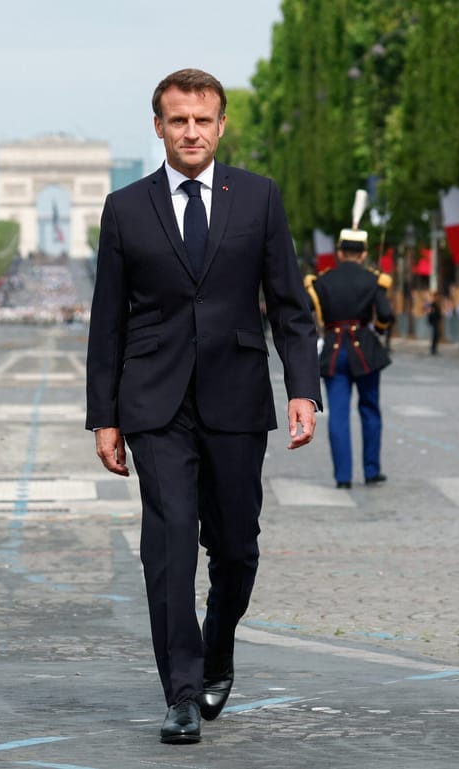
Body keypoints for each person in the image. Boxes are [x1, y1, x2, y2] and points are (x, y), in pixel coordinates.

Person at [86, 68, 320, 745]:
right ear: (158, 126)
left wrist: (302, 387)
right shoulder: (125, 208)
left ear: (221, 126)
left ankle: (218, 649)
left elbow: (289, 306)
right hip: (154, 403)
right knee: (169, 546)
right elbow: (108, 320)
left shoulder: (260, 198)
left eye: (202, 120)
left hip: (236, 395)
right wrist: (105, 414)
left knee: (237, 549)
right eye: (178, 119)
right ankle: (182, 691)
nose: (191, 131)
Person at [314, 207, 394, 490]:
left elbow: (311, 312)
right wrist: (380, 330)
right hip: (366, 350)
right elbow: (385, 315)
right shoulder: (374, 280)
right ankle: (371, 471)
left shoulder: (321, 281)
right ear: (363, 253)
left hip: (334, 348)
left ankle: (343, 477)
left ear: (339, 252)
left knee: (338, 414)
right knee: (370, 409)